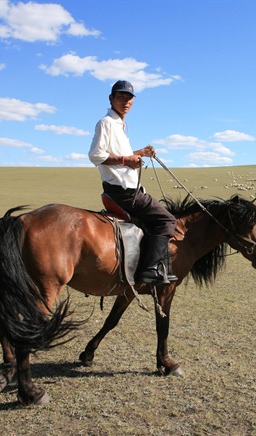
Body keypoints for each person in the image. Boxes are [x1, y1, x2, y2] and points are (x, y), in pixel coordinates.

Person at [88, 80, 177, 285]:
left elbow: (121, 155)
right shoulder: (106, 123)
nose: (125, 101)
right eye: (121, 97)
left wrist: (139, 153)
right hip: (123, 191)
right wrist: (126, 160)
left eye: (129, 98)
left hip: (126, 189)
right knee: (167, 220)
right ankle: (151, 269)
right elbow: (95, 155)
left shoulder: (120, 124)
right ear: (111, 98)